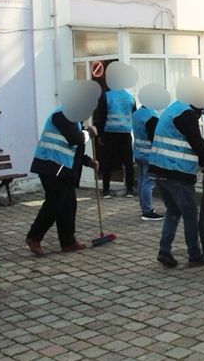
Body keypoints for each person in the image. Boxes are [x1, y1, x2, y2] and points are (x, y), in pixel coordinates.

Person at [149, 77, 204, 268]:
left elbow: (186, 144)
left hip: (160, 171)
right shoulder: (186, 114)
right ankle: (194, 254)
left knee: (173, 212)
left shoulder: (175, 108)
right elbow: (198, 143)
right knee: (190, 214)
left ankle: (164, 251)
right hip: (176, 173)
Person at [26, 81, 100, 255]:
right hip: (50, 165)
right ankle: (34, 237)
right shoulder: (61, 114)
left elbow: (75, 147)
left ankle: (68, 242)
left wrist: (88, 161)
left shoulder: (73, 118)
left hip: (63, 168)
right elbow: (75, 138)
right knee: (55, 203)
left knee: (69, 205)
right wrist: (89, 132)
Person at [132, 84, 170, 222]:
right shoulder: (152, 116)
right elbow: (154, 137)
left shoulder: (136, 114)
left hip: (138, 153)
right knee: (149, 182)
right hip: (149, 155)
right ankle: (147, 211)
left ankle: (144, 208)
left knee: (142, 180)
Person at [94, 83, 136, 198]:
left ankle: (106, 190)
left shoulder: (107, 96)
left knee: (108, 161)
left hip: (110, 133)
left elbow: (101, 116)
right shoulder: (130, 97)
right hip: (126, 133)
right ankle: (130, 190)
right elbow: (134, 116)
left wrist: (100, 135)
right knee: (128, 162)